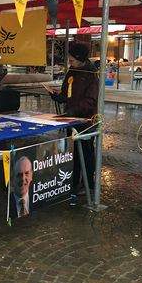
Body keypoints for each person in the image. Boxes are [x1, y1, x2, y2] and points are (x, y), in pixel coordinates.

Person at [49, 44, 98, 195]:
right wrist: (58, 97)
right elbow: (66, 94)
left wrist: (75, 110)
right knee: (72, 153)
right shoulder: (72, 72)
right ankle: (73, 181)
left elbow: (90, 101)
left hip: (85, 123)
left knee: (86, 154)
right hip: (70, 120)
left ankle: (89, 184)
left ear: (80, 58)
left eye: (71, 57)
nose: (68, 59)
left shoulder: (91, 76)